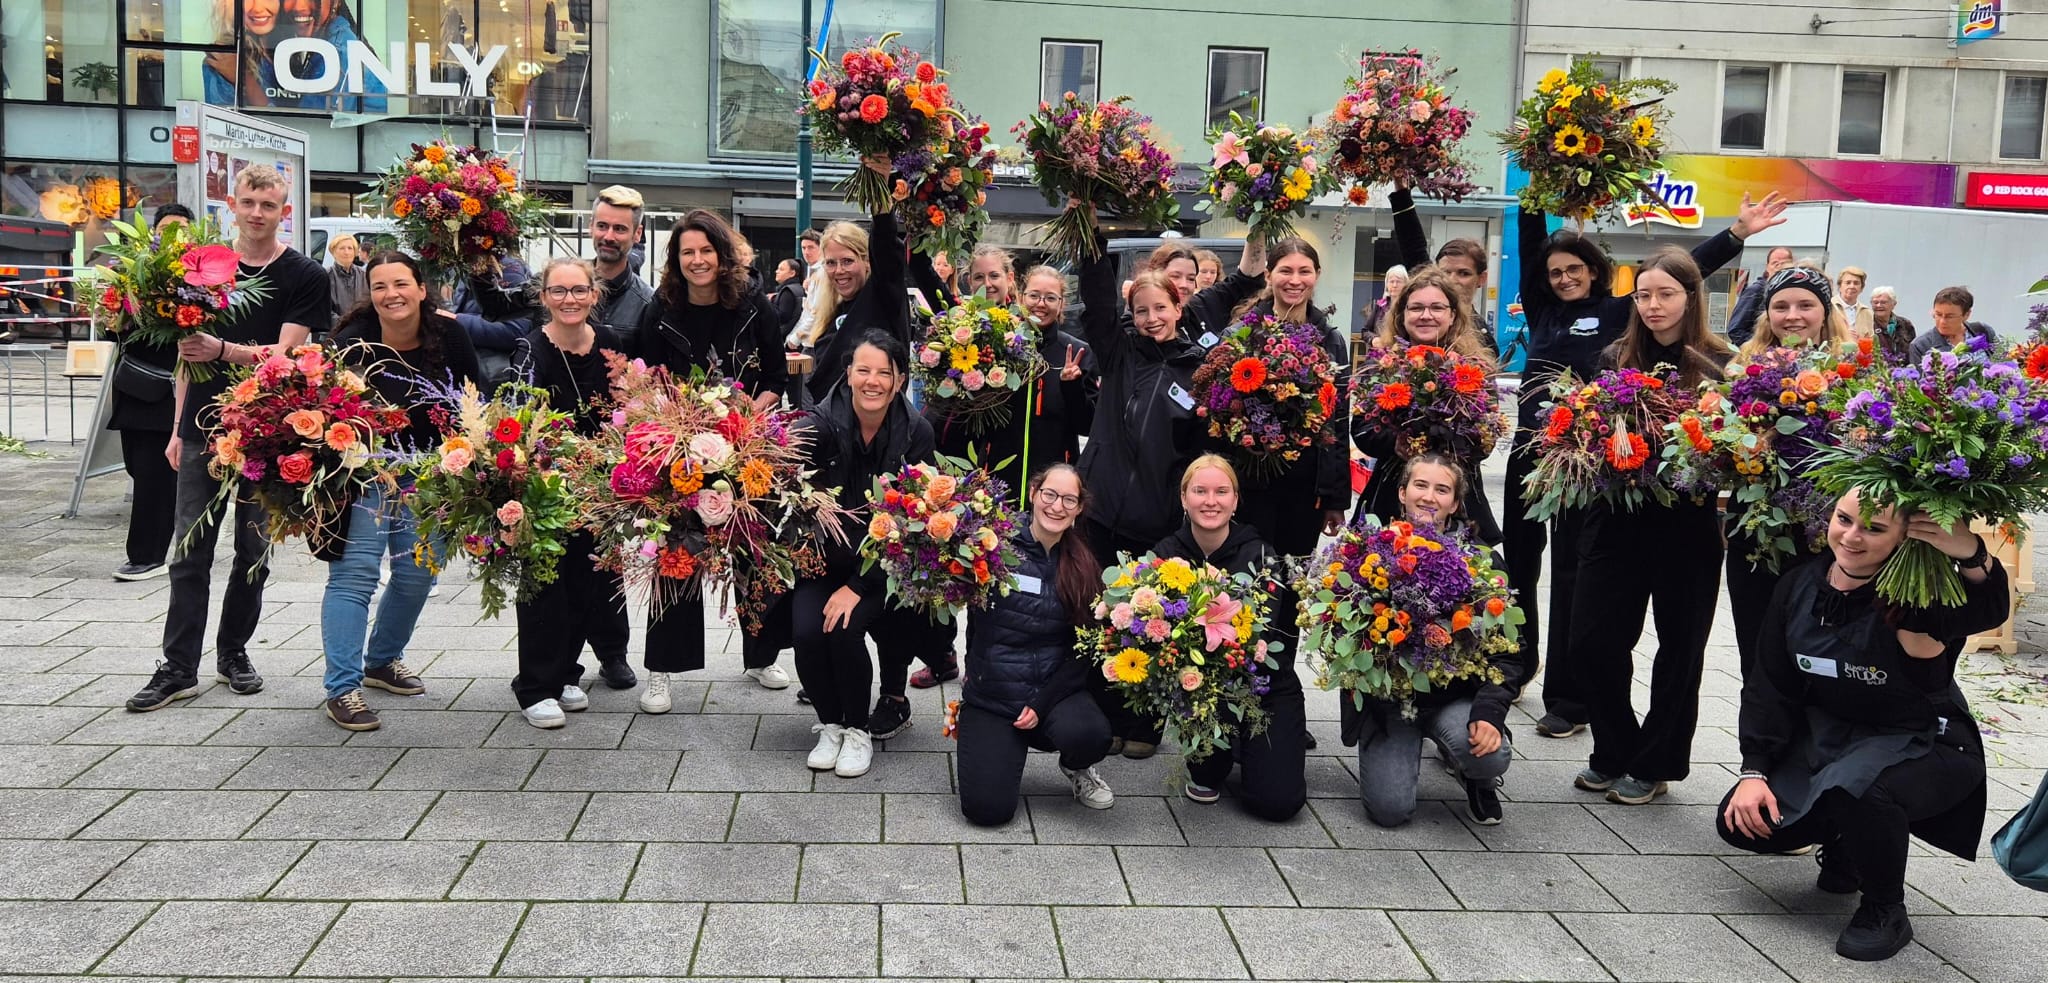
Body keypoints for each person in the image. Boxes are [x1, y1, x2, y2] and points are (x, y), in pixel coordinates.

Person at [1504, 191, 1787, 741]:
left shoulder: (1619, 312)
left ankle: (1567, 698)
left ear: (1595, 271)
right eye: (1556, 272)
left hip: (1590, 465)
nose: (1564, 278)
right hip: (1531, 454)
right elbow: (1531, 242)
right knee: (1518, 564)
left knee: (1571, 575)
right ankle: (1516, 664)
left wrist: (1735, 234)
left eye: (1575, 269)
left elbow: (1679, 274)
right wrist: (1535, 188)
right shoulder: (1542, 310)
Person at [1717, 489, 2008, 962]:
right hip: (1831, 739)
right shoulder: (1798, 585)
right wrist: (1755, 771)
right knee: (1742, 822)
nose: (1852, 536)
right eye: (1844, 519)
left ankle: (1884, 909)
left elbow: (1985, 609)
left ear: (1904, 538)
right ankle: (1848, 844)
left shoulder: (1918, 597)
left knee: (1862, 789)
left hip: (1924, 741)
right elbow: (1769, 686)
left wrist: (1972, 554)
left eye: (1874, 528)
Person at [128, 165, 331, 713]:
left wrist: (223, 350)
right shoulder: (199, 268)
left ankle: (233, 652)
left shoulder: (304, 274)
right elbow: (183, 356)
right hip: (201, 425)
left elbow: (287, 357)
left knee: (253, 550)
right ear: (232, 206)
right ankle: (178, 667)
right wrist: (176, 427)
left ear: (285, 211)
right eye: (248, 203)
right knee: (188, 550)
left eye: (268, 205)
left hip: (268, 432)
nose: (257, 213)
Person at [1571, 246, 1733, 805]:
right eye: (1643, 295)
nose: (1653, 305)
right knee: (1591, 641)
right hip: (1614, 519)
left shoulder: (1719, 364)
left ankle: (1656, 762)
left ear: (1691, 297)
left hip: (1686, 525)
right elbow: (1587, 431)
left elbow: (1730, 451)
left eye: (1666, 294)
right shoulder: (1616, 357)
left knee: (1679, 651)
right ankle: (1614, 748)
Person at [908, 257, 1099, 694]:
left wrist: (1073, 385)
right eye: (1035, 296)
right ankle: (977, 667)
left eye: (1051, 298)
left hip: (1052, 492)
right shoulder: (1000, 342)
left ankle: (1042, 670)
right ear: (1020, 294)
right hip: (999, 483)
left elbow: (1088, 422)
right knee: (986, 574)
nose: (1041, 304)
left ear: (1062, 303)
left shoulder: (1076, 351)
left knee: (1047, 581)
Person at [629, 208, 792, 714]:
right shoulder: (661, 308)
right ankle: (661, 670)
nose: (697, 260)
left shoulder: (753, 305)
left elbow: (776, 377)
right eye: (687, 252)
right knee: (676, 551)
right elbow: (643, 378)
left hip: (744, 446)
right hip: (677, 451)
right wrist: (670, 427)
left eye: (706, 250)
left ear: (722, 256)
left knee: (751, 548)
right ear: (675, 260)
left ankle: (761, 655)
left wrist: (745, 420)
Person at [320, 250, 481, 731]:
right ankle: (342, 688)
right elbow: (324, 408)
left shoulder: (449, 335)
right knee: (354, 577)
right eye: (380, 286)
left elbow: (474, 398)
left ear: (421, 289)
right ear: (370, 294)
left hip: (429, 473)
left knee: (417, 575)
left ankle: (382, 660)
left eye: (401, 284)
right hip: (362, 473)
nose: (391, 294)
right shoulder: (352, 342)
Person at [791, 332, 936, 779]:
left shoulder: (915, 432)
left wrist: (857, 586)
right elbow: (786, 495)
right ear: (848, 373)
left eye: (883, 373)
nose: (872, 381)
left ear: (899, 380)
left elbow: (914, 521)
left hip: (884, 567)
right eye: (863, 370)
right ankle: (831, 723)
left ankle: (857, 729)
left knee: (844, 627)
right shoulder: (816, 426)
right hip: (823, 562)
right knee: (807, 631)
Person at [1352, 452, 1520, 827]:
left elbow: (1511, 653)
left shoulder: (1483, 562)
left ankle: (1478, 778)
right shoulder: (1370, 553)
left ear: (1455, 503)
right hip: (1393, 702)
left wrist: (1489, 713)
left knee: (1489, 755)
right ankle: (1395, 748)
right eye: (1420, 485)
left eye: (1442, 490)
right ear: (1402, 492)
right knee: (1390, 811)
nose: (1429, 497)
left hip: (1453, 695)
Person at [956, 463, 1115, 825]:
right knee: (987, 811)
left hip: (1052, 691)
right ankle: (993, 745)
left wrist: (1041, 704)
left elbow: (1084, 649)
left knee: (1091, 734)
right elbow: (974, 621)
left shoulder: (1083, 565)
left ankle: (1076, 766)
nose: (1057, 506)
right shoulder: (992, 546)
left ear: (1079, 508)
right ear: (1033, 493)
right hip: (994, 693)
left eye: (1069, 500)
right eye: (1050, 494)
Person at [1151, 454, 1306, 819]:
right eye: (1200, 491)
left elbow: (1261, 631)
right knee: (1206, 773)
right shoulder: (1165, 555)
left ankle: (1251, 744)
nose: (1211, 501)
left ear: (1236, 500)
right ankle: (1220, 751)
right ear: (1184, 498)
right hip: (1202, 689)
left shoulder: (1262, 554)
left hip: (1264, 685)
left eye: (1221, 491)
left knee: (1277, 804)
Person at [509, 258, 627, 728]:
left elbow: (629, 404)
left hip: (601, 488)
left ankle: (563, 673)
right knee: (545, 587)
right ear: (544, 298)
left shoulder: (611, 342)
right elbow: (520, 420)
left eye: (578, 290)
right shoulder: (531, 348)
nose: (569, 300)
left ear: (594, 294)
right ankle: (534, 686)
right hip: (548, 486)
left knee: (586, 584)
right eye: (558, 291)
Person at [1726, 268, 1854, 676]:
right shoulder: (1743, 369)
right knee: (1757, 651)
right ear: (1767, 314)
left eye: (1805, 305)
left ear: (1825, 311)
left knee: (1818, 654)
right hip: (1756, 531)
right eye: (1780, 306)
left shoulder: (1852, 371)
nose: (1792, 315)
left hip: (1825, 535)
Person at [1353, 266, 1502, 546]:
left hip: (1458, 499)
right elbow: (1361, 430)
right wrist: (1396, 443)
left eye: (1437, 308)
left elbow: (1487, 438)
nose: (1426, 315)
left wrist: (1448, 447)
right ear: (1402, 315)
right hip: (1391, 495)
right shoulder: (1381, 366)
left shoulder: (1475, 368)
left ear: (1452, 315)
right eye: (1416, 308)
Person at [108, 204, 196, 582]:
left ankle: (146, 555)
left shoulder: (200, 277)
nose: (173, 236)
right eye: (166, 229)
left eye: (181, 229)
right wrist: (115, 312)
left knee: (154, 473)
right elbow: (114, 327)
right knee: (137, 466)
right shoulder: (132, 271)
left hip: (174, 384)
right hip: (136, 383)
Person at [793, 176, 909, 405]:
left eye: (847, 261)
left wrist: (880, 191)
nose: (839, 271)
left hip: (879, 423)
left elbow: (886, 248)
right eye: (831, 263)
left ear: (867, 261)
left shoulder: (882, 297)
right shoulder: (831, 311)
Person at [1387, 184, 1499, 357]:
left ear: (1481, 278)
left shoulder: (1482, 338)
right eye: (1445, 273)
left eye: (1464, 273)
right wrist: (1401, 191)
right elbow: (1413, 247)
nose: (1452, 280)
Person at [450, 256, 540, 387]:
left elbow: (516, 329)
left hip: (495, 375)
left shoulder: (505, 268)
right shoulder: (468, 266)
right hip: (478, 370)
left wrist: (455, 321)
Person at [590, 184, 655, 352]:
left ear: (637, 234)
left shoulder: (648, 304)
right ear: (591, 227)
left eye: (619, 229)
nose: (609, 236)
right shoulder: (562, 289)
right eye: (602, 226)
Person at [1726, 245, 1796, 346]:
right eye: (1775, 263)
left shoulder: (1793, 293)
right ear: (1767, 267)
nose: (1780, 267)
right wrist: (1764, 347)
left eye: (1785, 263)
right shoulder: (1756, 291)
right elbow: (1735, 330)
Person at [1909, 286, 1996, 359]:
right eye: (1938, 314)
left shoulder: (1983, 331)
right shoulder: (1921, 345)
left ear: (1966, 315)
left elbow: (2000, 361)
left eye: (1949, 316)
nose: (1942, 321)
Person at [1357, 264, 1408, 358]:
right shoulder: (1380, 306)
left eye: (1398, 282)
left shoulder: (1409, 307)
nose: (1394, 285)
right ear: (1387, 284)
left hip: (1401, 357)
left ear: (1406, 284)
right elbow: (1365, 331)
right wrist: (1373, 339)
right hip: (1378, 356)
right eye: (1391, 281)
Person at [1867, 286, 1916, 363]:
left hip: (1904, 369)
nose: (1879, 305)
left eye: (1883, 302)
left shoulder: (1905, 324)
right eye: (1875, 302)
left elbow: (1913, 351)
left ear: (1894, 304)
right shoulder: (1867, 325)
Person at [325, 233, 367, 318]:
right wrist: (343, 323)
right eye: (342, 248)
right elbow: (324, 308)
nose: (346, 252)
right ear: (333, 252)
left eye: (350, 248)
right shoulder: (325, 276)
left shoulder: (364, 275)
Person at [1835, 266, 1874, 338]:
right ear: (1840, 286)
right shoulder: (1829, 306)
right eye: (1848, 282)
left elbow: (1870, 340)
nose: (1852, 286)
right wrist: (1843, 335)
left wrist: (1859, 340)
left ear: (1861, 288)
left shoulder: (1867, 313)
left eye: (1856, 283)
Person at [771, 258, 806, 332]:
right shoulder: (799, 288)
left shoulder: (787, 291)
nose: (776, 271)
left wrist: (768, 304)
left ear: (792, 273)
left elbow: (782, 317)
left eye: (781, 269)